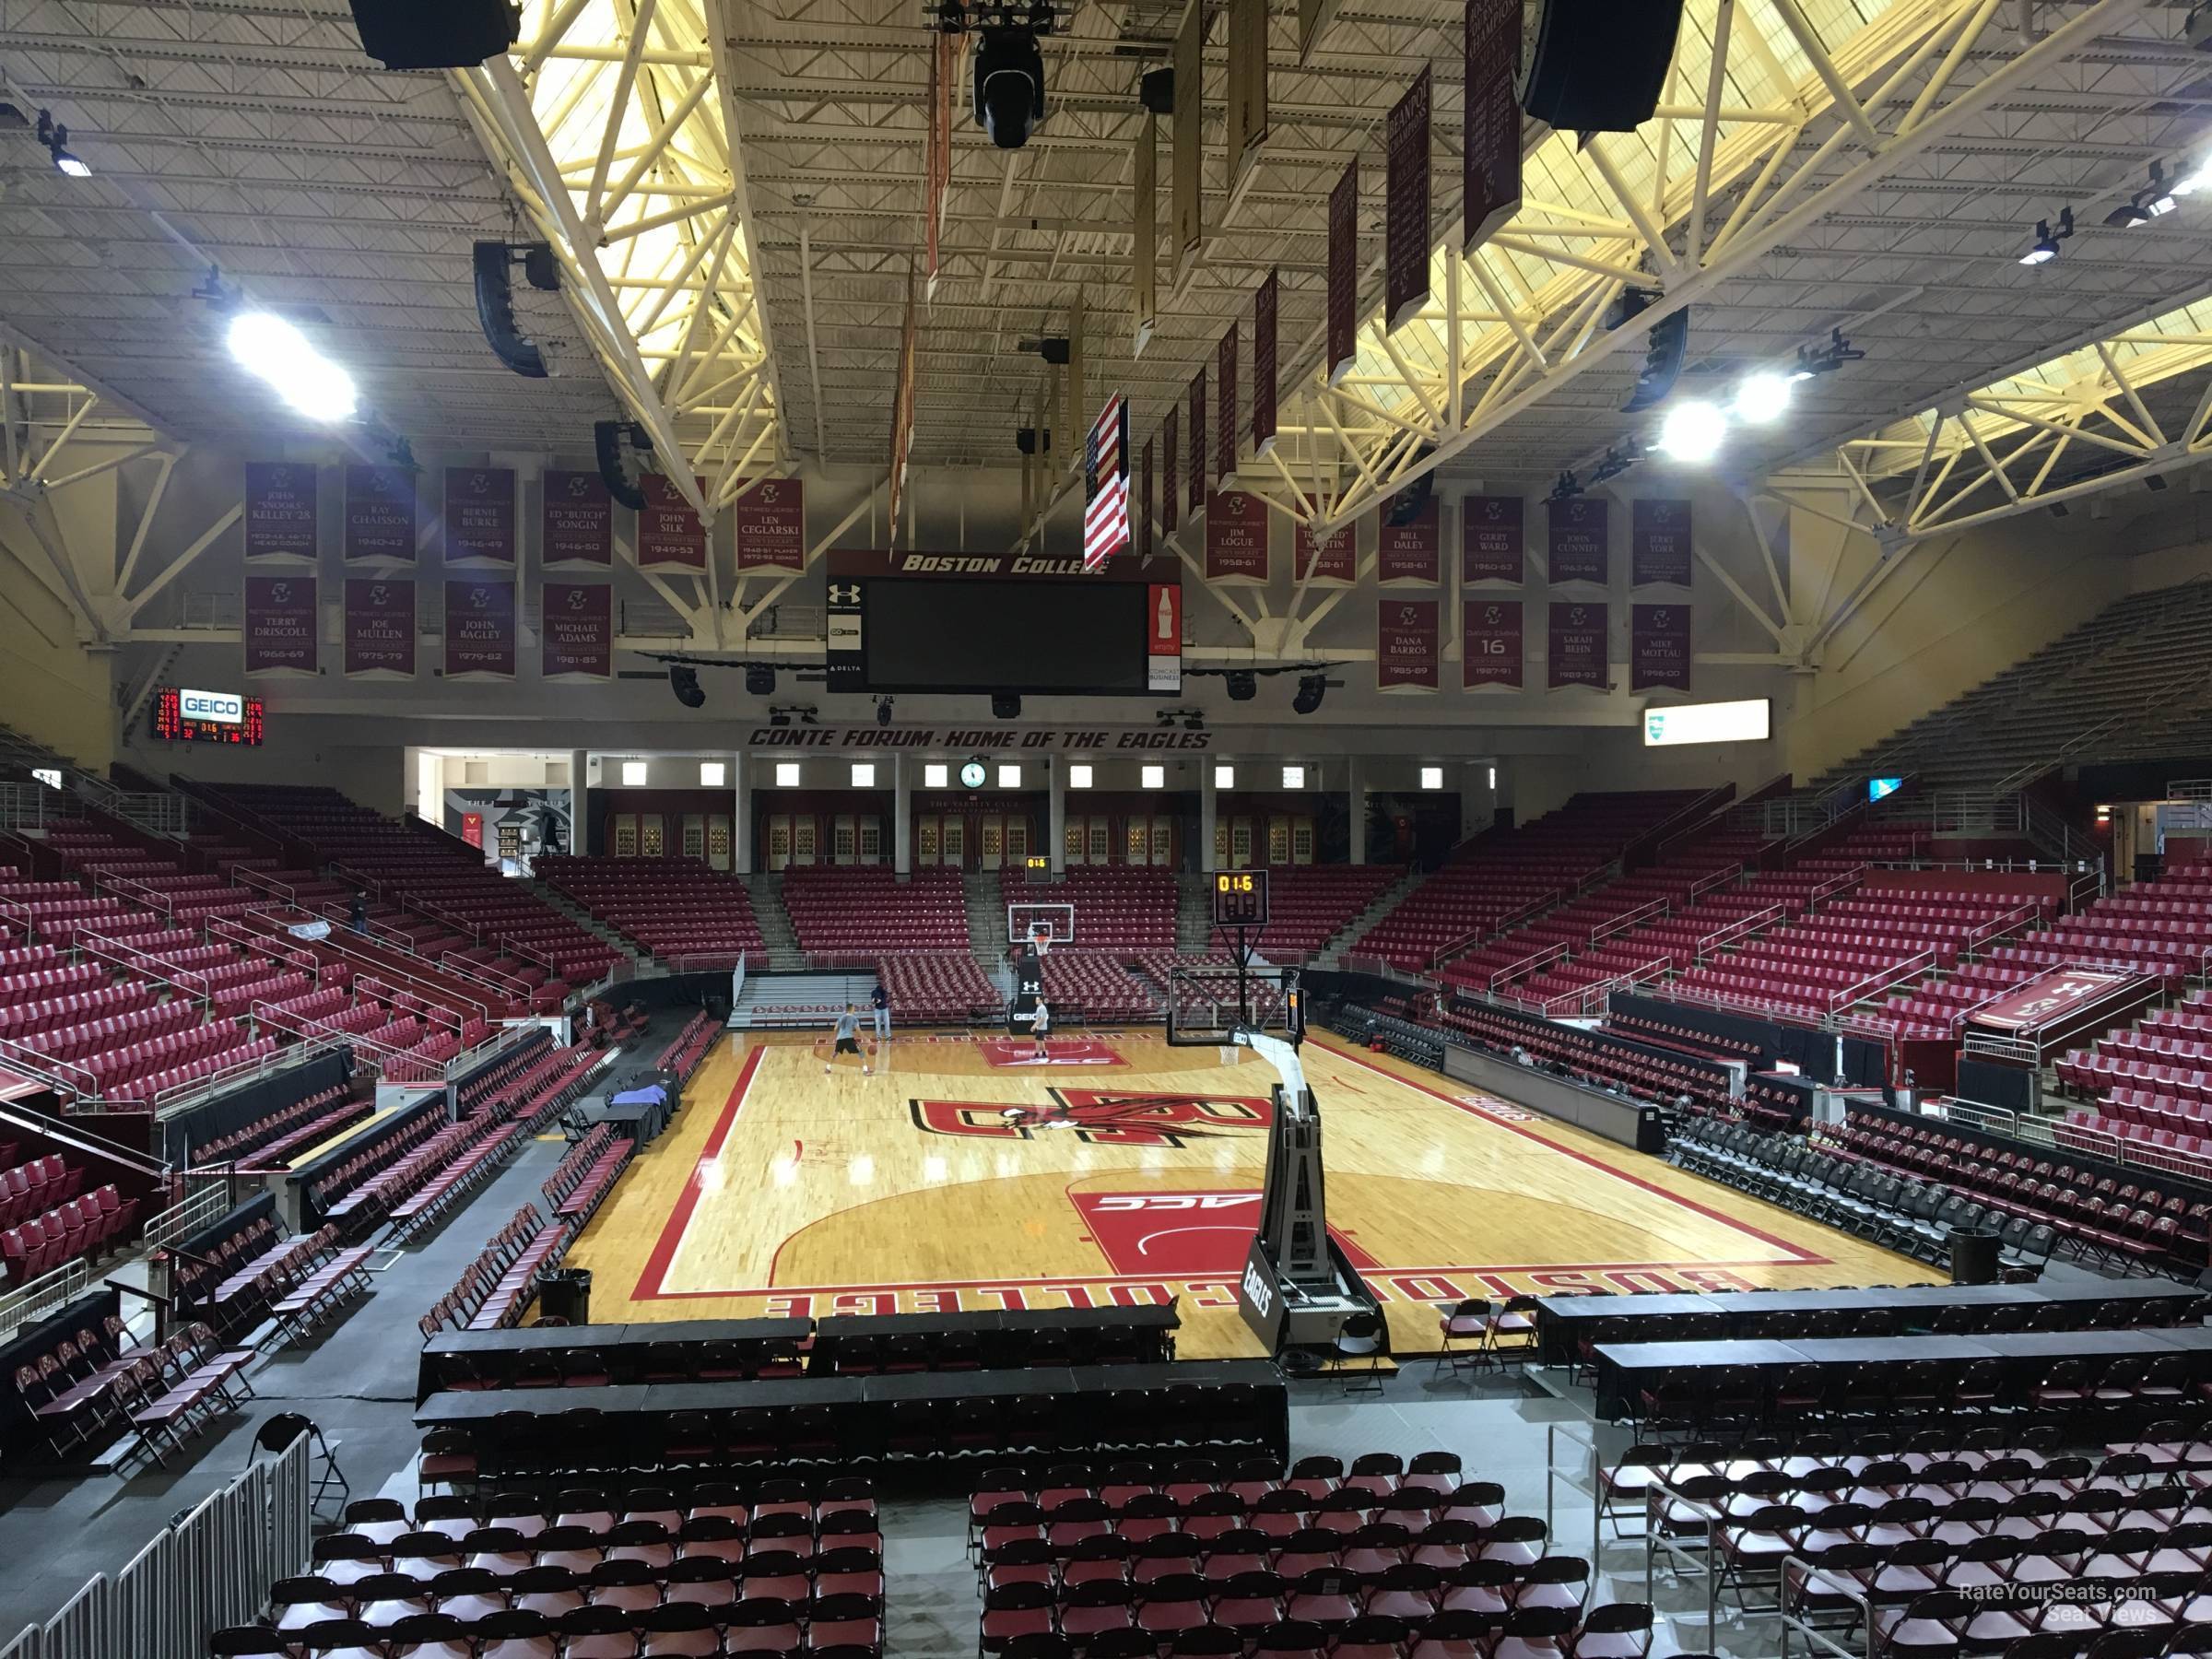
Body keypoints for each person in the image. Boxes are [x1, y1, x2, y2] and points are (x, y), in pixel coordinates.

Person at [827, 1004, 869, 1075]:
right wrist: (865, 1038)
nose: (854, 1009)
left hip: (840, 1039)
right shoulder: (854, 1018)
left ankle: (827, 1068)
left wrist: (836, 1036)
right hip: (849, 1039)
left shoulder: (841, 1017)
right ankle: (865, 1070)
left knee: (835, 1053)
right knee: (861, 1052)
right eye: (854, 1008)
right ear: (851, 1009)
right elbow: (858, 1030)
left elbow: (835, 1028)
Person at [871, 980, 890, 1045]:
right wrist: (876, 1001)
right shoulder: (873, 992)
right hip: (877, 1009)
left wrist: (876, 1000)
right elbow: (873, 1001)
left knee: (887, 1023)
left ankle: (888, 1036)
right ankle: (878, 1036)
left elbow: (881, 1001)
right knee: (878, 1023)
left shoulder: (884, 992)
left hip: (885, 1009)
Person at [1031, 996, 1050, 1061]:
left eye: (1037, 1000)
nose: (1036, 1001)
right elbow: (1038, 1019)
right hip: (1040, 1027)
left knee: (1037, 1041)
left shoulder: (1042, 1008)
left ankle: (1036, 1054)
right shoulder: (1039, 1007)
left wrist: (1035, 1026)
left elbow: (1042, 1019)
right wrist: (1034, 1026)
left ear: (1041, 1001)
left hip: (1042, 1027)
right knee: (1041, 1041)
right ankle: (1044, 1054)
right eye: (1036, 999)